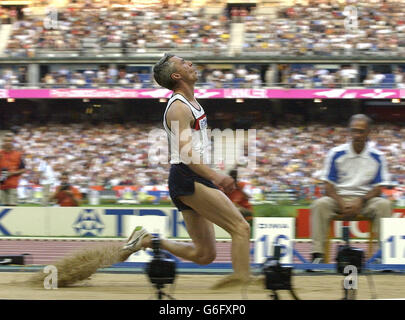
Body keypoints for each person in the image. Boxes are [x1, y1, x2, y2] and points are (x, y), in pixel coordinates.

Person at [124, 53, 252, 289]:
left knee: (205, 255)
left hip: (191, 178)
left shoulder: (191, 102)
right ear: (176, 75)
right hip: (188, 177)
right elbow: (186, 154)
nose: (190, 64)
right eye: (184, 63)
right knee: (241, 228)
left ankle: (148, 240)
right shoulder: (178, 108)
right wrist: (216, 176)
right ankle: (244, 285)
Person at [310, 114, 392, 264]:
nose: (357, 135)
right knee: (320, 204)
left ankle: (383, 255)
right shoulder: (336, 153)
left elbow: (379, 188)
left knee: (384, 205)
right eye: (353, 131)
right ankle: (318, 255)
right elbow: (328, 186)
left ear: (368, 132)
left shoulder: (377, 156)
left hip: (366, 201)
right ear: (349, 131)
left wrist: (361, 200)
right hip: (338, 199)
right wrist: (341, 202)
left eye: (361, 131)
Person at [226, 168, 254, 236]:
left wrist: (240, 189)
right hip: (235, 212)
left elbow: (250, 196)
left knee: (235, 208)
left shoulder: (242, 185)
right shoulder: (226, 188)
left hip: (246, 211)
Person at [0, 132, 26, 206]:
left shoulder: (18, 154)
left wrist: (12, 173)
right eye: (6, 141)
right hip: (1, 185)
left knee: (12, 208)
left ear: (12, 143)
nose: (7, 143)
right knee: (2, 209)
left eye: (9, 141)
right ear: (3, 142)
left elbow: (23, 169)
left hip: (12, 185)